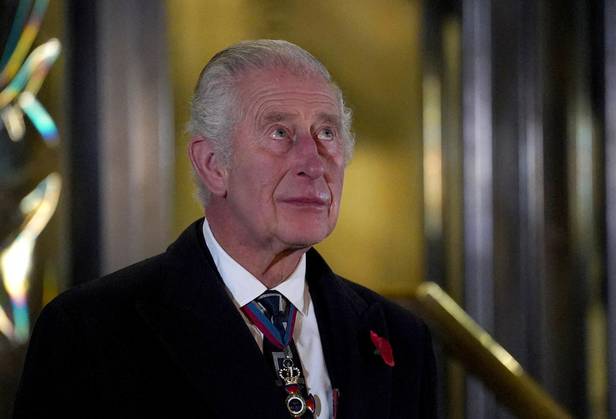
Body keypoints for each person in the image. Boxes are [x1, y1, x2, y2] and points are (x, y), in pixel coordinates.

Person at [13, 40, 436, 419]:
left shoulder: (400, 338)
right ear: (213, 165)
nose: (314, 162)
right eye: (280, 133)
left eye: (327, 132)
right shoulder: (91, 332)